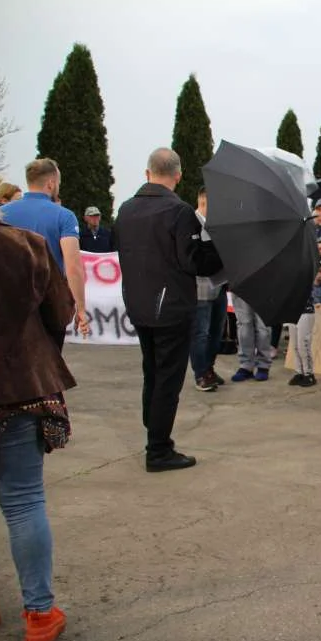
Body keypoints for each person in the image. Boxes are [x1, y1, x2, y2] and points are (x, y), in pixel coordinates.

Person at [113, 147, 223, 473]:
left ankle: (154, 433)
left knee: (153, 372)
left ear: (148, 173)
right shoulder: (179, 211)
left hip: (139, 303)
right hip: (171, 307)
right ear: (178, 176)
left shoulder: (126, 209)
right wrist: (219, 248)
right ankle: (158, 449)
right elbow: (194, 262)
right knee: (167, 380)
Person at [0, 217, 74, 641]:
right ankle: (40, 613)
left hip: (17, 389)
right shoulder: (26, 245)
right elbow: (60, 313)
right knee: (24, 503)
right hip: (19, 389)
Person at [1, 158, 89, 342]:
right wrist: (80, 307)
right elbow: (73, 266)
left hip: (7, 300)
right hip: (48, 301)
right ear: (51, 183)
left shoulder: (3, 213)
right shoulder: (64, 216)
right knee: (49, 364)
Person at [190, 187, 228, 392]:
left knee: (216, 331)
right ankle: (200, 374)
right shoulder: (191, 224)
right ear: (203, 203)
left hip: (220, 285)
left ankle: (209, 369)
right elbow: (196, 257)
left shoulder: (218, 226)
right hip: (200, 287)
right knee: (201, 333)